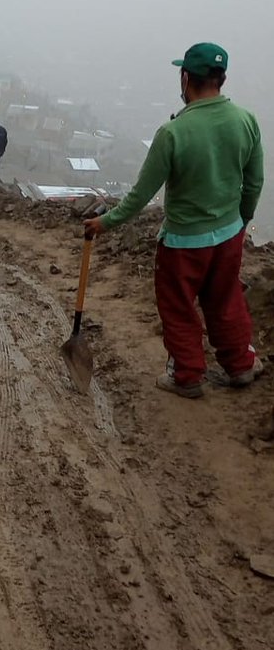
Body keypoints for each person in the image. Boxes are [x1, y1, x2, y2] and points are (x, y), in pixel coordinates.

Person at [85, 43, 264, 398]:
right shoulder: (245, 120)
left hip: (184, 244)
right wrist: (240, 220)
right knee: (226, 299)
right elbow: (254, 181)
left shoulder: (173, 133)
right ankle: (240, 366)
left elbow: (139, 196)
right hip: (228, 236)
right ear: (221, 78)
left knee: (179, 307)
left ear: (186, 78)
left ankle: (187, 376)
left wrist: (106, 223)